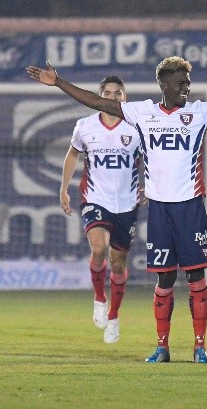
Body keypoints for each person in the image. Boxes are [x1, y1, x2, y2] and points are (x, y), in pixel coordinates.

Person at [27, 56, 207, 363]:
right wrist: (59, 82)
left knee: (196, 279)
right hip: (159, 211)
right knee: (165, 280)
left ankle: (200, 348)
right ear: (164, 85)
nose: (186, 87)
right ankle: (162, 347)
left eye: (188, 82)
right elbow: (96, 102)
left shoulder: (200, 113)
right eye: (181, 82)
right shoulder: (142, 112)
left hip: (190, 209)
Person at [60, 75, 141, 344]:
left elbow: (152, 158)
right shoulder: (85, 127)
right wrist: (63, 189)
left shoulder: (136, 127)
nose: (113, 97)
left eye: (118, 93)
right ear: (99, 96)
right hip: (95, 199)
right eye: (107, 93)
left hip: (127, 203)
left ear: (124, 97)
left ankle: (114, 316)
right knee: (98, 248)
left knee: (118, 262)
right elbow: (73, 154)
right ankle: (98, 297)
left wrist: (149, 186)